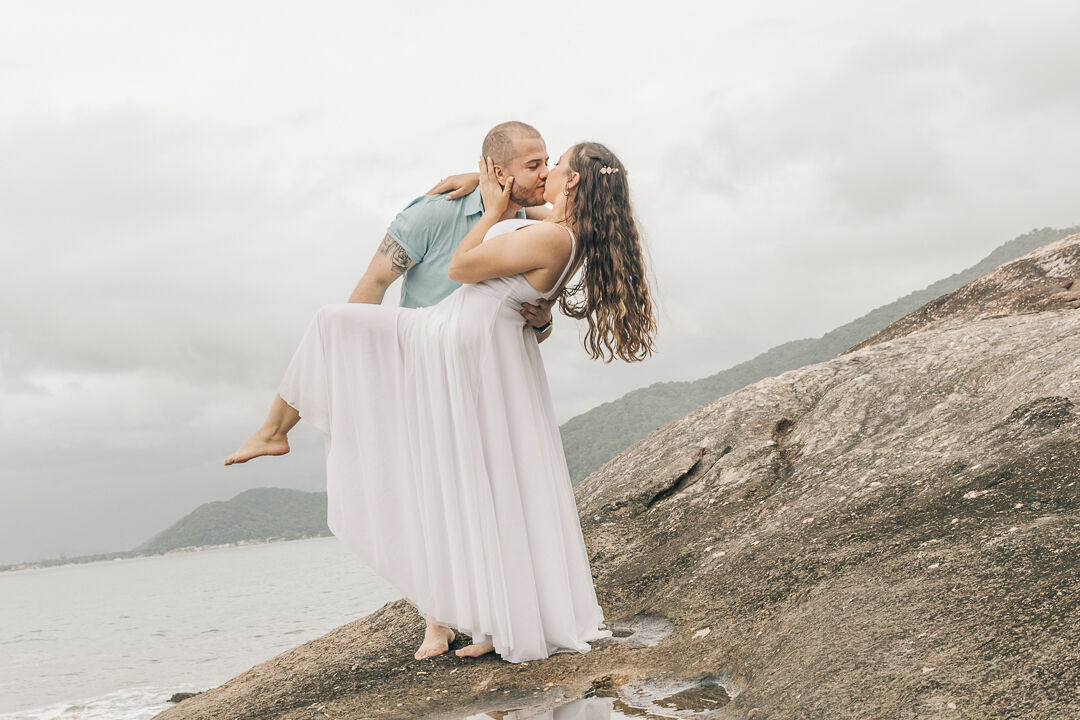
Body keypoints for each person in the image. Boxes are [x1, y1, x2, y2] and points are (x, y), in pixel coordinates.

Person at [224, 141, 656, 665]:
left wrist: (493, 210)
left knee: (330, 322)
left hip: (449, 340)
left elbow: (461, 266)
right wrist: (477, 182)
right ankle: (497, 619)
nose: (549, 172)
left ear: (575, 183)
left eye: (556, 164)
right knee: (484, 488)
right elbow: (526, 213)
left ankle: (274, 432)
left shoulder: (552, 236)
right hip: (471, 341)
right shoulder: (562, 229)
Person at [348, 120, 557, 339]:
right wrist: (353, 354)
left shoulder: (533, 231)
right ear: (499, 173)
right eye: (533, 166)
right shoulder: (435, 212)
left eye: (547, 163)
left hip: (487, 368)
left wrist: (543, 324)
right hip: (423, 361)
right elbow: (375, 281)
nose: (546, 173)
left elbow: (534, 336)